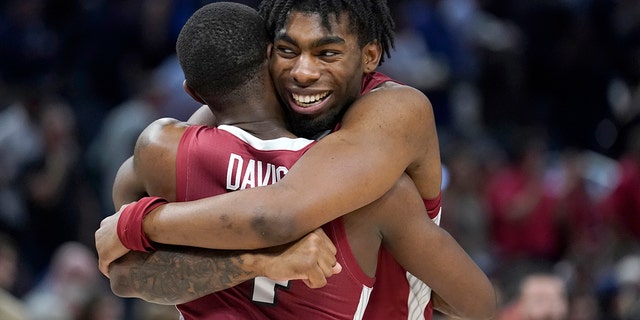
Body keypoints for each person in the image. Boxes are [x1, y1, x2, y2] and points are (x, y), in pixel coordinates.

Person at [96, 0, 497, 318]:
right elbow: (129, 274)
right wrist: (253, 262)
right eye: (289, 50)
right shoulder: (224, 122)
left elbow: (279, 215)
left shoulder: (395, 111)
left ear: (370, 56)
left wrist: (141, 222)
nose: (303, 72)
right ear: (268, 51)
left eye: (327, 53)